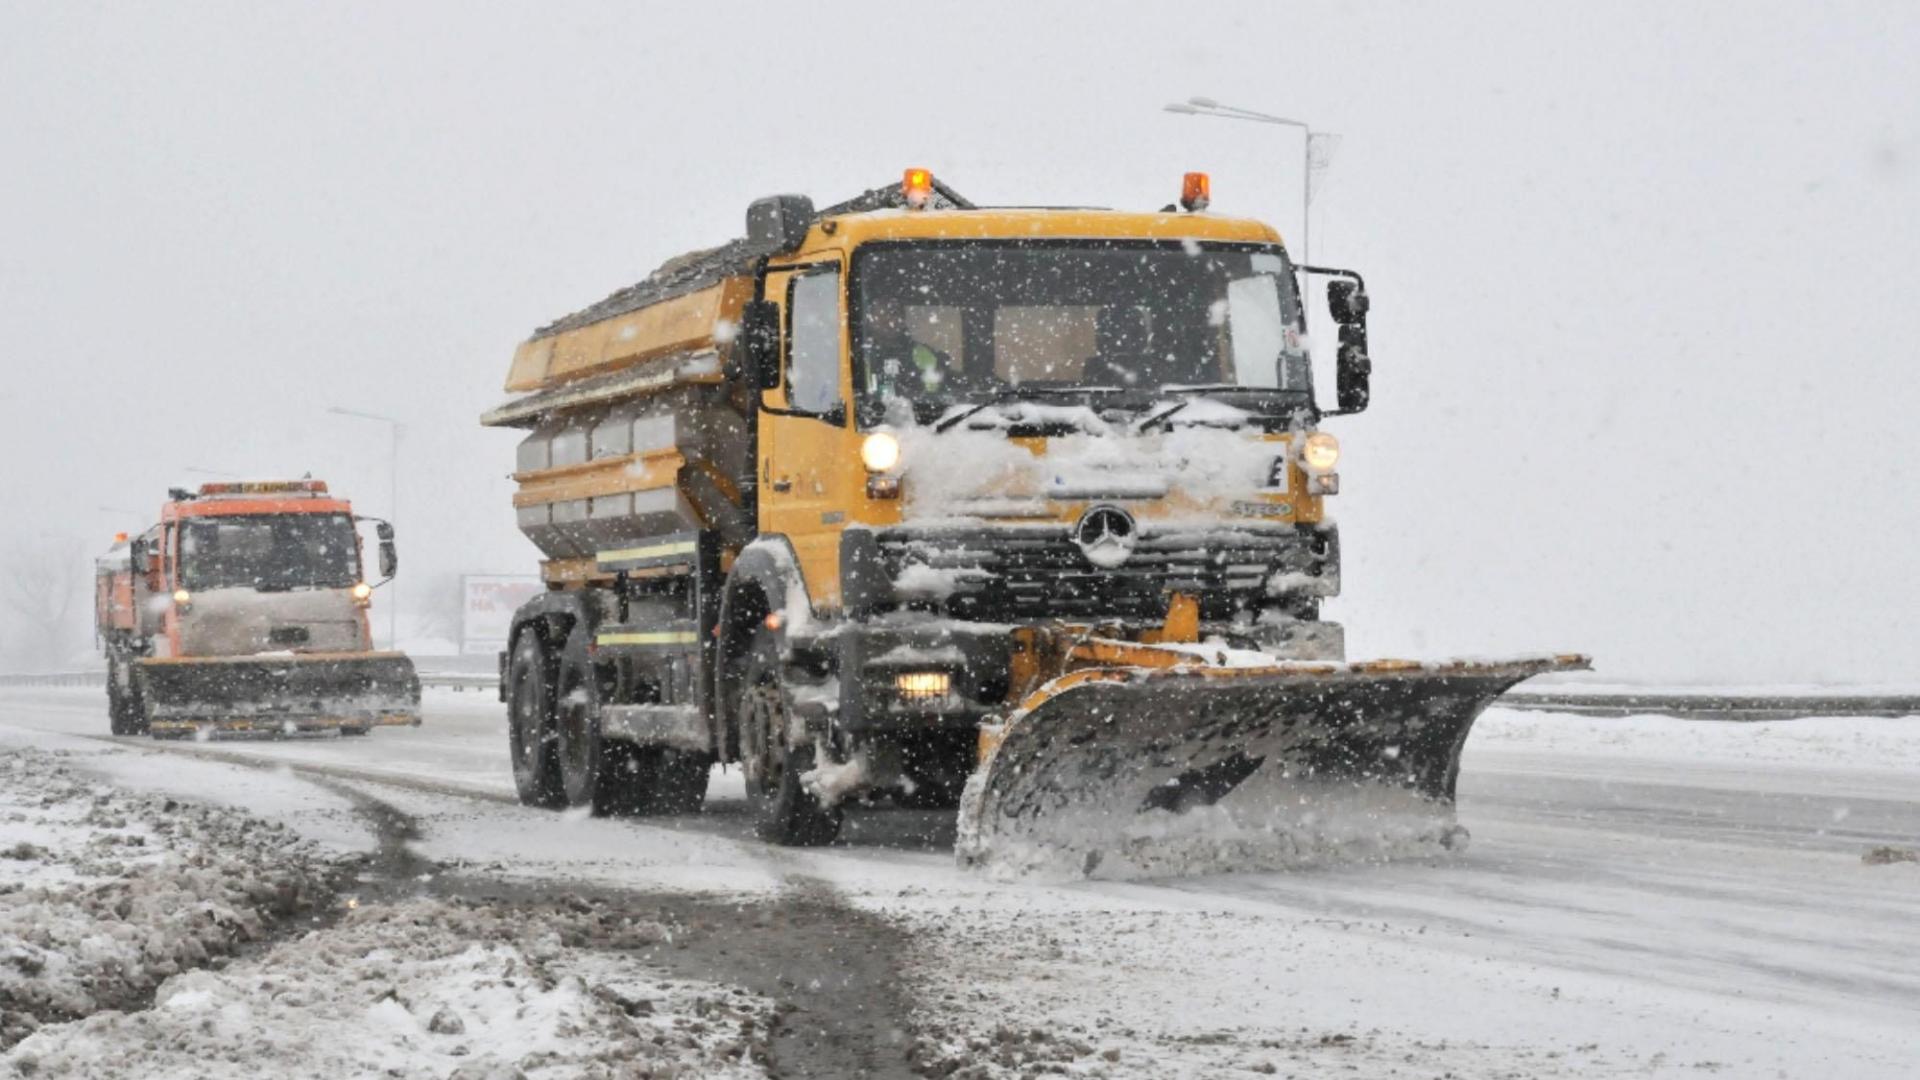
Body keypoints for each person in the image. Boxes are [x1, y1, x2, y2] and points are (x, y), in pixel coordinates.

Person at [863, 300, 957, 402]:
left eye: (894, 314)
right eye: (882, 315)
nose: (889, 320)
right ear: (870, 320)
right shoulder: (859, 354)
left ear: (903, 320)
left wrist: (912, 391)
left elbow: (935, 398)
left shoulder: (923, 353)